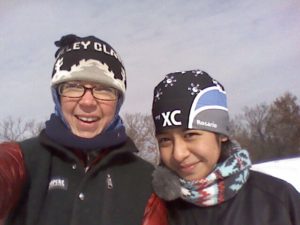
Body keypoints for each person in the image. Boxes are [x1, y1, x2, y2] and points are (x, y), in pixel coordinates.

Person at [0, 34, 166, 225]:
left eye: (104, 89)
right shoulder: (21, 159)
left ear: (118, 101)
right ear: (57, 96)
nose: (88, 102)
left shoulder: (145, 181)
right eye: (73, 86)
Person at [150, 69, 300, 225]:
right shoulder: (154, 210)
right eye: (165, 140)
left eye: (190, 135)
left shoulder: (278, 201)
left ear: (222, 134)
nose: (178, 154)